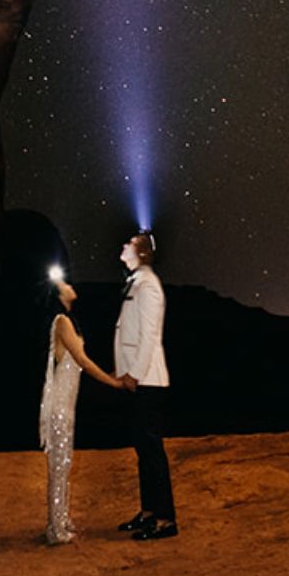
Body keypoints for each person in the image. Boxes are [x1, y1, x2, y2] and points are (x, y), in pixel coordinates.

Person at [40, 269, 123, 546]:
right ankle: (55, 527)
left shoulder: (68, 321)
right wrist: (113, 382)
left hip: (67, 404)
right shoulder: (62, 321)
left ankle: (61, 519)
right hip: (60, 407)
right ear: (59, 294)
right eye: (63, 283)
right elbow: (83, 361)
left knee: (64, 464)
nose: (69, 285)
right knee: (59, 466)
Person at [113, 230, 177, 541]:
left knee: (152, 450)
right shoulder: (138, 282)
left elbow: (149, 336)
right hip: (138, 379)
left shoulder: (149, 286)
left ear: (141, 253)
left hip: (148, 379)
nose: (123, 245)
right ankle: (149, 512)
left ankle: (165, 519)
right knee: (143, 449)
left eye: (129, 243)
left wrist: (134, 374)